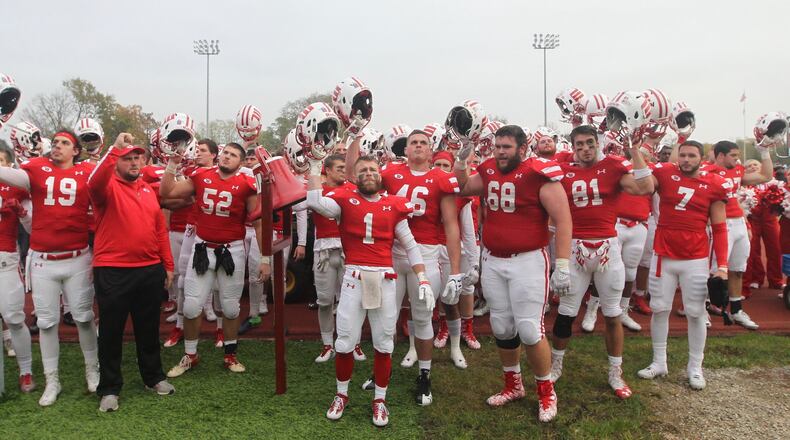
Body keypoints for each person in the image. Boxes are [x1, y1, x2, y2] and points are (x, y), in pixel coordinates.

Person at [454, 125, 569, 422]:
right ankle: (513, 385)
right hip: (493, 259)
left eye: (507, 147)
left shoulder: (538, 173)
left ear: (522, 148)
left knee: (530, 329)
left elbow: (563, 218)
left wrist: (564, 263)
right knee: (502, 327)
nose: (500, 152)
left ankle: (546, 391)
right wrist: (461, 163)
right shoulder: (490, 168)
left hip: (528, 261)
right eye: (497, 146)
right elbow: (465, 188)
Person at [308, 154, 431, 427]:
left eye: (373, 169)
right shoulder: (344, 200)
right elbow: (315, 201)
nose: (368, 173)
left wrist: (422, 277)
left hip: (384, 278)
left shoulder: (394, 205)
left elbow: (410, 245)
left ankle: (379, 400)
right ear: (356, 174)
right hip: (353, 277)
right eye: (362, 169)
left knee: (384, 343)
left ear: (380, 174)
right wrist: (316, 165)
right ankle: (342, 395)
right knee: (344, 342)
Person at [348, 129, 464, 406]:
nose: (419, 147)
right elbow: (354, 176)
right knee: (384, 318)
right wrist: (354, 135)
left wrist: (456, 271)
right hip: (391, 253)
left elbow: (451, 224)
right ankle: (380, 372)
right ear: (406, 148)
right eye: (414, 143)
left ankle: (425, 375)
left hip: (424, 253)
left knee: (423, 317)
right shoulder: (391, 173)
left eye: (424, 142)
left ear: (431, 148)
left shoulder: (441, 177)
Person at [550, 124, 654, 400]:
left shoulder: (613, 167)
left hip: (608, 247)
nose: (584, 149)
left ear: (598, 143)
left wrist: (633, 149)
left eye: (589, 143)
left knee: (612, 314)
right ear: (571, 147)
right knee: (566, 314)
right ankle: (555, 365)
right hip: (574, 248)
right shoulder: (563, 169)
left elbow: (646, 187)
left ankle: (615, 372)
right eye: (578, 144)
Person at [0, 130, 99, 407]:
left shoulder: (86, 172)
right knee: (46, 323)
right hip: (43, 260)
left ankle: (93, 369)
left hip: (77, 257)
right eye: (54, 142)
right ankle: (52, 378)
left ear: (76, 151)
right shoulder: (35, 169)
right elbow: (8, 176)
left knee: (83, 317)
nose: (57, 146)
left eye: (64, 143)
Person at [88, 133, 176, 412]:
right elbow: (94, 181)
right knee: (111, 332)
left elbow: (159, 229)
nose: (135, 161)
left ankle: (153, 377)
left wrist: (168, 264)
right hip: (113, 269)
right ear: (116, 162)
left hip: (148, 269)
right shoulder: (106, 187)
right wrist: (115, 148)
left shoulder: (148, 189)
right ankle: (110, 388)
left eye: (137, 156)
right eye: (128, 158)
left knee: (148, 328)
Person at [160, 142, 262, 376]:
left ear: (240, 162)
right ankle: (190, 355)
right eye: (225, 153)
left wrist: (264, 257)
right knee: (192, 304)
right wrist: (172, 164)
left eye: (233, 155)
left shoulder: (247, 185)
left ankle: (230, 354)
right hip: (202, 248)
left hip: (232, 250)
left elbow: (257, 221)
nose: (227, 157)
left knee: (230, 307)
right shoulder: (200, 175)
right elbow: (167, 193)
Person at [638, 140, 730, 389]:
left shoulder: (714, 185)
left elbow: (720, 229)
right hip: (663, 255)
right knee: (659, 308)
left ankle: (695, 366)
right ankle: (659, 361)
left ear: (702, 158)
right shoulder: (665, 173)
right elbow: (644, 186)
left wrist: (722, 265)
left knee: (696, 312)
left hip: (695, 258)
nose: (686, 160)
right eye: (683, 155)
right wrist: (635, 148)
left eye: (692, 155)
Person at [702, 140, 772, 329]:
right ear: (720, 156)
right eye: (733, 155)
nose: (737, 159)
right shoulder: (706, 171)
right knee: (713, 270)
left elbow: (766, 176)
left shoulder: (738, 171)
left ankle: (736, 309)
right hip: (720, 224)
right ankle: (703, 308)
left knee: (738, 268)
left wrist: (764, 152)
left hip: (738, 223)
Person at [162, 140, 218, 348]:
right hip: (191, 228)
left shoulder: (223, 172)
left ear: (214, 154)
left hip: (213, 232)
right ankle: (179, 324)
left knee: (217, 276)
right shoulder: (192, 172)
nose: (198, 153)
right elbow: (167, 195)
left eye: (203, 150)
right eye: (197, 149)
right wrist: (172, 165)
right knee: (183, 277)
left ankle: (217, 321)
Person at [311, 154, 366, 362]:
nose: (344, 170)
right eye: (340, 167)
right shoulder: (319, 190)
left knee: (351, 301)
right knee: (325, 301)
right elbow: (300, 205)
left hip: (349, 250)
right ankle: (327, 344)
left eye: (346, 167)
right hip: (324, 250)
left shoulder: (354, 189)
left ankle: (355, 342)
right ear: (328, 170)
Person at [0, 147, 34, 392]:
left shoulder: (17, 187)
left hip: (5, 259)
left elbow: (33, 228)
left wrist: (21, 212)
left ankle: (26, 371)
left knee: (13, 317)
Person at [743, 160, 783, 295]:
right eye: (748, 166)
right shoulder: (744, 185)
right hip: (752, 220)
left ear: (762, 168)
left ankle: (776, 280)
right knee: (752, 250)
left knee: (775, 248)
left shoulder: (774, 183)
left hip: (770, 220)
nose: (752, 167)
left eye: (755, 165)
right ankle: (755, 278)